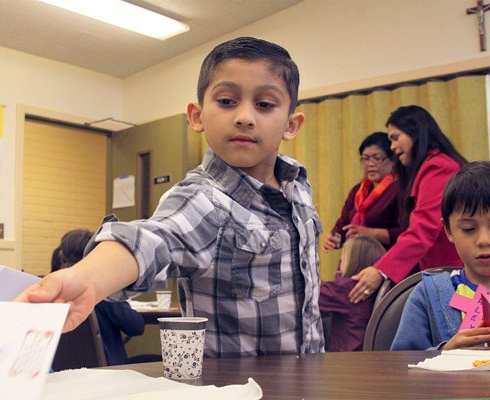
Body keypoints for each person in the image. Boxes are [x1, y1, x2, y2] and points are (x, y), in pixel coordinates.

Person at [17, 36, 324, 358]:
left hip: (309, 375)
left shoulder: (297, 184)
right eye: (227, 101)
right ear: (197, 116)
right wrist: (86, 277)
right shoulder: (205, 201)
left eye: (264, 104)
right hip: (240, 388)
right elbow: (153, 238)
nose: (244, 116)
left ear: (291, 125)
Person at [350, 105, 467, 304]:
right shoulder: (425, 169)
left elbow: (422, 229)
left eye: (395, 138)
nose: (393, 147)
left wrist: (381, 270)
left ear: (416, 133)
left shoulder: (438, 167)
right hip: (441, 273)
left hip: (454, 273)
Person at [391, 161, 490, 350]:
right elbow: (399, 364)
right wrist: (444, 352)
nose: (484, 240)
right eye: (469, 229)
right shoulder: (428, 294)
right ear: (449, 231)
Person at [52, 229, 147, 366]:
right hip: (108, 371)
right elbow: (136, 327)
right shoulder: (102, 291)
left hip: (62, 372)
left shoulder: (54, 290)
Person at [323, 131, 402, 252]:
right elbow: (343, 224)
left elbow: (407, 232)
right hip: (357, 259)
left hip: (387, 261)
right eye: (365, 158)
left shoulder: (400, 189)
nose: (370, 164)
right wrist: (335, 237)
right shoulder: (358, 191)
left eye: (377, 158)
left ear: (393, 160)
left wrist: (372, 233)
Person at [319, 236, 386, 352]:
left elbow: (309, 296)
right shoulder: (378, 286)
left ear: (353, 261)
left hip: (345, 357)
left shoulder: (347, 288)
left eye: (343, 258)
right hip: (367, 353)